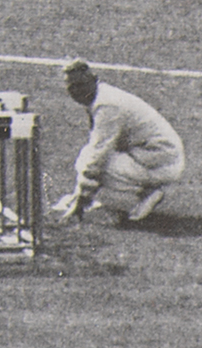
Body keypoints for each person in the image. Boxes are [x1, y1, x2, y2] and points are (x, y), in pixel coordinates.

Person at [48, 59, 186, 226]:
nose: (77, 91)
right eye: (71, 87)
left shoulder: (107, 106)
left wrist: (80, 202)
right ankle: (88, 198)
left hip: (163, 162)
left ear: (94, 80)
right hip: (152, 155)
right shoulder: (99, 96)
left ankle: (147, 193)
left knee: (96, 163)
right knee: (87, 156)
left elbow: (98, 155)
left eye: (81, 85)